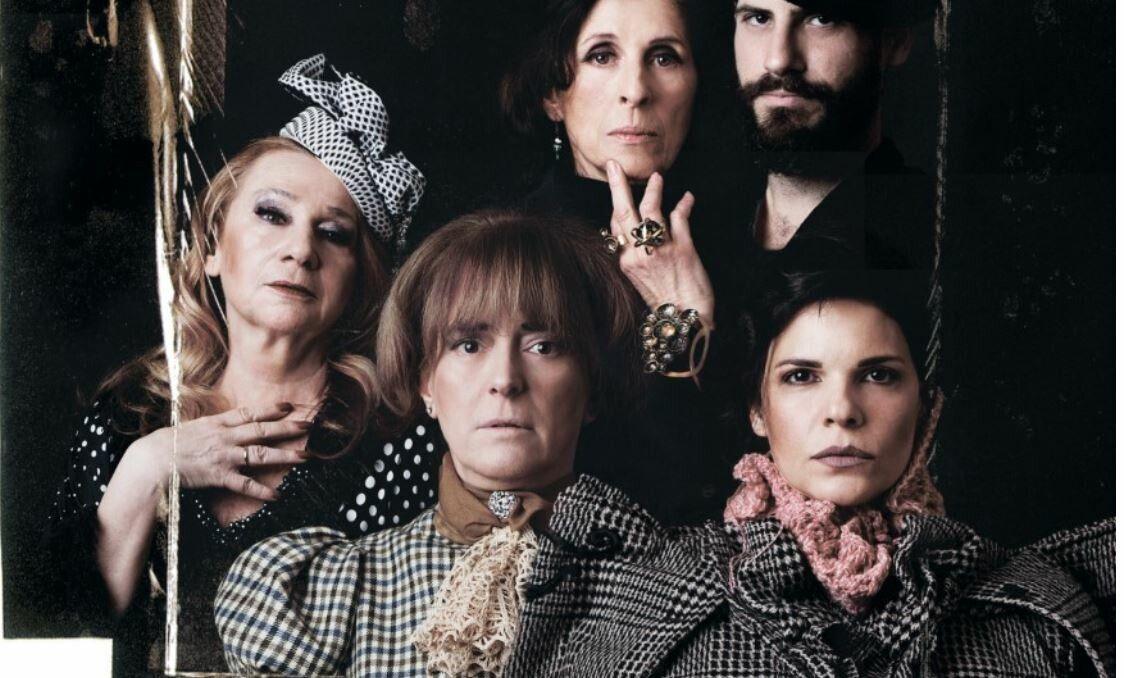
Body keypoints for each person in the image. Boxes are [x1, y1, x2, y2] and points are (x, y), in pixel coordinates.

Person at [510, 270, 1114, 676]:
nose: (842, 410)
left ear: (926, 407)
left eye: (878, 375)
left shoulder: (1031, 607)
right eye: (801, 376)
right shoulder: (657, 589)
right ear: (757, 410)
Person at [45, 54, 439, 674]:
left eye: (334, 233)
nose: (300, 249)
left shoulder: (397, 442)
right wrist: (149, 467)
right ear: (211, 248)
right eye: (272, 214)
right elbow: (58, 639)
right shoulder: (125, 418)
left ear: (361, 283)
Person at [214, 210, 639, 675]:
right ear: (426, 384)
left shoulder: (664, 581)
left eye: (544, 346)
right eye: (469, 345)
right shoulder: (336, 594)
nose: (505, 380)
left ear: (591, 387)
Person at [501, 0, 744, 525]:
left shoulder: (742, 243)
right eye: (602, 55)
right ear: (553, 94)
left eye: (664, 57)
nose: (636, 90)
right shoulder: (507, 254)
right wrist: (677, 323)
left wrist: (684, 311)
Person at [734, 0, 936, 271]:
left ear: (894, 42)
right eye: (759, 18)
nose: (778, 61)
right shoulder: (700, 225)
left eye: (822, 19)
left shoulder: (937, 244)